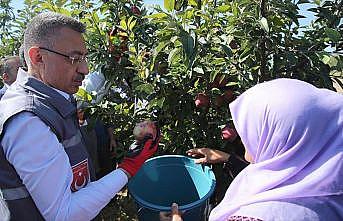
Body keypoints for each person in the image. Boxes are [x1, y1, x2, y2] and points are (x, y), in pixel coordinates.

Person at [0, 12, 160, 221]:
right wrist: (128, 168)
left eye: (84, 58)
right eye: (74, 58)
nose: (85, 69)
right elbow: (63, 214)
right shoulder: (28, 121)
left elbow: (90, 90)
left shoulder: (50, 99)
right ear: (38, 57)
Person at [172, 78, 343, 221]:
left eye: (256, 126)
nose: (242, 133)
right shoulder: (329, 191)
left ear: (280, 137)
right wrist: (227, 158)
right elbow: (278, 177)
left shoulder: (254, 216)